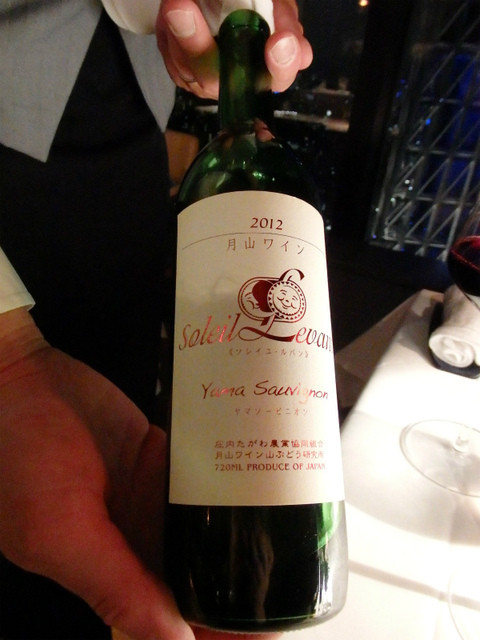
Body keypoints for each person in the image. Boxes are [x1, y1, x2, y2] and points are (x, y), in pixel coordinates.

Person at [0, 1, 312, 639]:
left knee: (124, 435)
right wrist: (7, 359)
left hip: (132, 138)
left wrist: (219, 6)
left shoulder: (211, 159)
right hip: (8, 139)